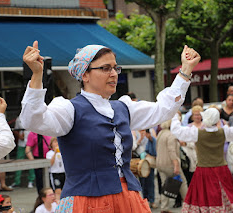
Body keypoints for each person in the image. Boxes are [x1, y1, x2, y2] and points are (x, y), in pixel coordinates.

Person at [20, 41, 200, 212]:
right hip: (86, 201)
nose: (114, 73)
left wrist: (185, 70)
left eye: (115, 68)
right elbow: (33, 120)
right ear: (85, 75)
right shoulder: (69, 109)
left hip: (128, 198)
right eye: (105, 68)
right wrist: (37, 76)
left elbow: (163, 110)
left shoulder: (122, 107)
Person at [171, 104, 233, 212]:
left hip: (203, 171)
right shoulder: (224, 132)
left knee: (203, 198)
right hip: (221, 170)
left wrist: (175, 114)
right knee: (223, 197)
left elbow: (176, 131)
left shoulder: (197, 133)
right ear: (217, 120)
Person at [156, 119, 188, 213]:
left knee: (164, 185)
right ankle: (188, 204)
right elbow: (172, 151)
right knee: (183, 183)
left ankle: (164, 208)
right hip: (170, 164)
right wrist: (176, 165)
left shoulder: (160, 133)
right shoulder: (171, 135)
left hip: (160, 163)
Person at [10, 116, 35, 189]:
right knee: (18, 161)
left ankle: (31, 180)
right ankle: (17, 181)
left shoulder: (33, 117)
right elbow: (15, 129)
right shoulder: (19, 118)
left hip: (31, 143)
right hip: (21, 143)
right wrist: (19, 135)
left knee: (32, 162)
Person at [139, 129, 157, 209]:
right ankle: (145, 200)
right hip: (142, 162)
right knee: (143, 183)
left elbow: (154, 152)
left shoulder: (153, 140)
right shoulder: (136, 132)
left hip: (150, 163)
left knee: (150, 182)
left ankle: (152, 200)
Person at [46, 137, 66, 203]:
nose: (56, 143)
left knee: (65, 189)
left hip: (63, 172)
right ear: (51, 144)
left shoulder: (63, 151)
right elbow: (50, 163)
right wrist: (55, 152)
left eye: (57, 142)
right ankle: (58, 203)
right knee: (58, 190)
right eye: (54, 142)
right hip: (55, 173)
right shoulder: (49, 153)